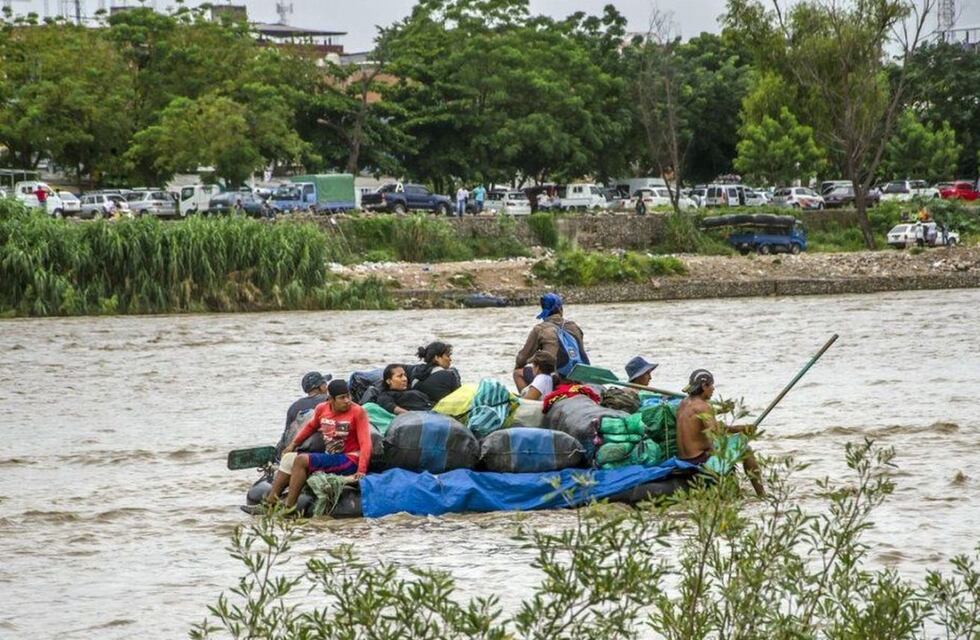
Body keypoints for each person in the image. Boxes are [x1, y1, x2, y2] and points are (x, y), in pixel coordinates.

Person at [264, 379, 372, 510]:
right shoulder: (322, 409)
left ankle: (289, 508)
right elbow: (310, 427)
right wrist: (293, 444)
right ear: (330, 399)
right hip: (331, 456)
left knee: (301, 460)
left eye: (348, 396)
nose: (347, 400)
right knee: (287, 459)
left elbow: (365, 442)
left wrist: (361, 470)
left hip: (350, 459)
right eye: (342, 398)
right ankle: (269, 505)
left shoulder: (357, 412)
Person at [676, 369, 765, 497]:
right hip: (698, 459)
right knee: (745, 448)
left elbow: (697, 417)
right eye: (711, 385)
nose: (713, 389)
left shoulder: (683, 403)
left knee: (720, 445)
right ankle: (762, 495)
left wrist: (721, 410)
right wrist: (741, 429)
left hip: (684, 458)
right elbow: (715, 432)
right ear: (704, 386)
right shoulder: (703, 406)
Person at [513, 292, 585, 388]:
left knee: (517, 373)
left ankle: (530, 400)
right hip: (578, 376)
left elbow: (522, 358)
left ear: (544, 310)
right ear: (560, 309)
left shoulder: (540, 329)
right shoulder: (574, 327)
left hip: (556, 378)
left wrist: (520, 365)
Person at [273, 371, 331, 460]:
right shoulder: (329, 401)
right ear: (320, 387)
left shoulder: (294, 407)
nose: (326, 388)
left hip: (298, 451)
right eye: (325, 384)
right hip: (320, 451)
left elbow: (286, 436)